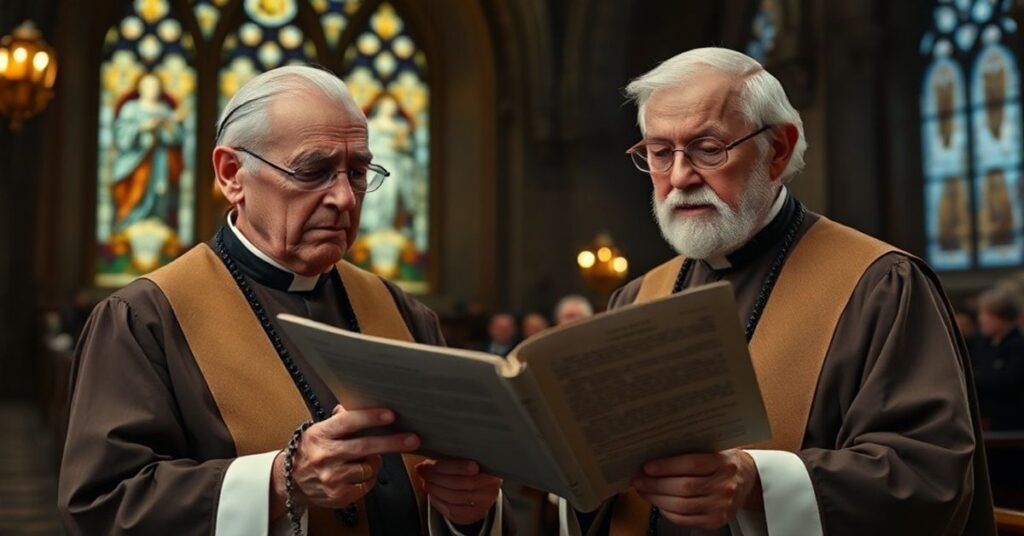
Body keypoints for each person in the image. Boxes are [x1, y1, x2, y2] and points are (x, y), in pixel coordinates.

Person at [556, 48, 994, 536]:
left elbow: (930, 479)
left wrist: (757, 483)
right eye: (660, 152)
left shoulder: (881, 285)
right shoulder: (636, 296)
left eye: (708, 147)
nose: (679, 177)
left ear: (779, 150)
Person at [59, 66, 506, 536]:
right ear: (232, 174)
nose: (344, 199)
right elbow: (102, 506)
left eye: (357, 173)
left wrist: (467, 515)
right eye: (313, 170)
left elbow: (457, 487)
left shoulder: (402, 312)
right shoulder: (146, 317)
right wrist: (279, 481)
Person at [110, 72, 185, 231]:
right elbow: (122, 137)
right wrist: (143, 127)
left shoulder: (165, 110)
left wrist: (166, 124)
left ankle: (156, 218)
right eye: (148, 86)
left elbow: (177, 137)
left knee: (159, 193)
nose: (152, 89)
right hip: (134, 163)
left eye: (155, 86)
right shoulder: (130, 109)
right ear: (140, 88)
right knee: (135, 192)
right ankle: (130, 222)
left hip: (159, 164)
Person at [972, 287, 1024, 431]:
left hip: (1012, 425)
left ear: (1002, 316)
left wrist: (975, 377)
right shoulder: (982, 344)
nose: (981, 319)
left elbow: (1007, 381)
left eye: (986, 314)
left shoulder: (1018, 346)